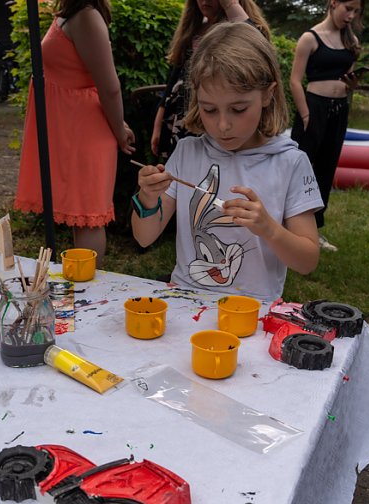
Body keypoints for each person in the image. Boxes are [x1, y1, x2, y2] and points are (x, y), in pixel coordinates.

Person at [133, 22, 323, 302]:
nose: (223, 125)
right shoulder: (187, 153)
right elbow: (144, 237)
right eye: (209, 109)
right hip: (185, 302)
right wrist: (148, 198)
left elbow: (307, 261)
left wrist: (268, 228)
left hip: (252, 312)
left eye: (238, 108)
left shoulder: (290, 163)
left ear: (268, 95)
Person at [15, 0, 135, 267]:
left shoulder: (87, 16)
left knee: (89, 218)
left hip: (86, 134)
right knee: (79, 217)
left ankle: (88, 290)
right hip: (73, 132)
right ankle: (81, 282)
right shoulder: (73, 13)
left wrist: (119, 130)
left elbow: (110, 86)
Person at [151, 0, 269, 159]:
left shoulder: (236, 26)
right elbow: (173, 79)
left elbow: (258, 43)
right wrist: (158, 123)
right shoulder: (193, 29)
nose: (205, 1)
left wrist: (230, 5)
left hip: (217, 114)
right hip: (183, 115)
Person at [289, 0, 363, 252]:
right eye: (348, 9)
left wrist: (353, 84)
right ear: (333, 3)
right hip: (313, 108)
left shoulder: (350, 42)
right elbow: (295, 81)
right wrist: (307, 115)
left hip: (339, 110)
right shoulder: (310, 38)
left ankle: (314, 230)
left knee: (326, 168)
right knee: (299, 168)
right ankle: (285, 224)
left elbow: (347, 80)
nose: (351, 15)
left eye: (356, 11)